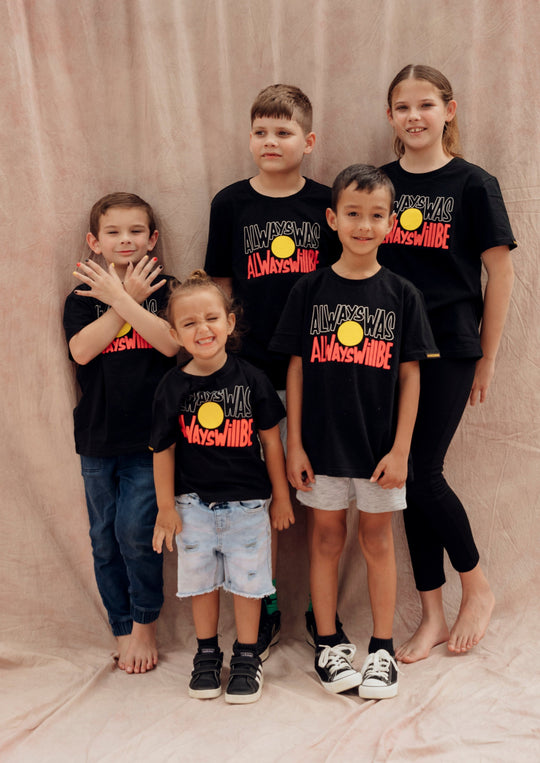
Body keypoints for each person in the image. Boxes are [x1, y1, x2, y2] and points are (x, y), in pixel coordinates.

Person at [271, 165, 439, 698]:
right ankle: (326, 641)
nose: (363, 225)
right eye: (353, 214)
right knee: (324, 538)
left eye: (375, 215)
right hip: (321, 446)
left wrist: (402, 449)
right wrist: (295, 441)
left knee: (376, 541)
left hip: (378, 451)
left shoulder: (403, 293)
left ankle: (382, 649)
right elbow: (294, 368)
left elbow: (412, 375)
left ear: (391, 223)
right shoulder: (309, 288)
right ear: (332, 218)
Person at [379, 64, 516, 663]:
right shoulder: (378, 183)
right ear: (391, 117)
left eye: (426, 104)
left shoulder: (473, 185)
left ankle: (476, 585)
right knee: (404, 481)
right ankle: (431, 613)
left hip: (450, 345)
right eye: (403, 106)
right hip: (384, 347)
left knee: (421, 470)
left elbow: (501, 274)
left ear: (448, 111)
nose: (415, 115)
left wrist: (486, 358)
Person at [204, 83, 341, 657]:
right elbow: (220, 286)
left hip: (319, 366)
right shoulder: (230, 203)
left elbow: (347, 278)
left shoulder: (327, 203)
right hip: (251, 367)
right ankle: (266, 604)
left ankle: (319, 608)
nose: (270, 141)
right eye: (260, 131)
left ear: (308, 141)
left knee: (314, 493)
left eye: (283, 132)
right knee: (258, 493)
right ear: (249, 137)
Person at [150, 270, 294, 704]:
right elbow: (162, 451)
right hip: (191, 505)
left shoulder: (252, 380)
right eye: (189, 323)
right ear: (174, 333)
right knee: (201, 583)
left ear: (230, 323)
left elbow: (272, 442)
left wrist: (281, 497)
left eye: (211, 318)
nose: (202, 329)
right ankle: (207, 654)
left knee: (250, 584)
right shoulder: (171, 387)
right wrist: (165, 508)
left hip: (248, 504)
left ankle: (248, 656)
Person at [63, 192, 179, 673]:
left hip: (150, 440)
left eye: (136, 231)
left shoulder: (167, 289)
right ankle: (122, 628)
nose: (125, 240)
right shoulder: (83, 296)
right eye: (113, 232)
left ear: (152, 239)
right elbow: (82, 352)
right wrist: (119, 298)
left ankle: (146, 624)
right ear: (94, 242)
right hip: (97, 437)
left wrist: (128, 298)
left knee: (136, 533)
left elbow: (171, 345)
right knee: (103, 538)